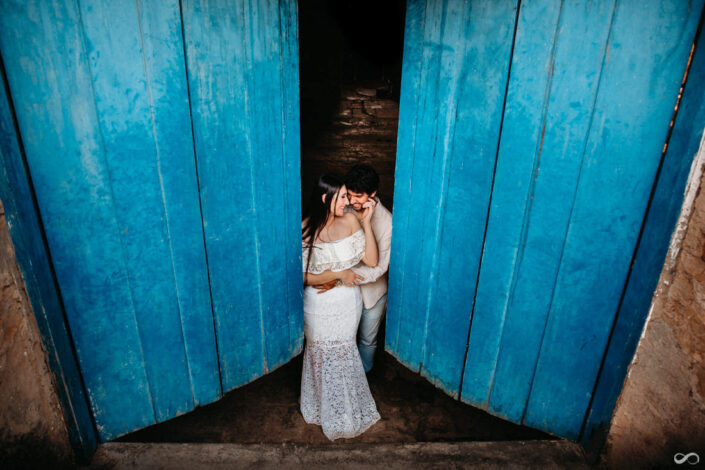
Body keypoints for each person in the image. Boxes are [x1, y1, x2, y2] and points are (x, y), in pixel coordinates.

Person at [300, 173, 381, 440]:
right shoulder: (305, 228)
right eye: (343, 196)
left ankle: (345, 411)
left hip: (346, 303)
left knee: (344, 352)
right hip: (316, 305)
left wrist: (367, 223)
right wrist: (337, 275)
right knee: (319, 353)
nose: (348, 201)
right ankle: (322, 408)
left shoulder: (350, 220)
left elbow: (370, 260)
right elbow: (301, 277)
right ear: (326, 199)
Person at [313, 164, 392, 373]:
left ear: (372, 194)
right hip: (342, 290)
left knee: (366, 339)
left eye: (358, 196)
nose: (352, 201)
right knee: (343, 337)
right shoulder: (344, 208)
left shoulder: (386, 221)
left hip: (371, 293)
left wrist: (342, 279)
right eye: (348, 195)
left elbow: (379, 267)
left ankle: (362, 376)